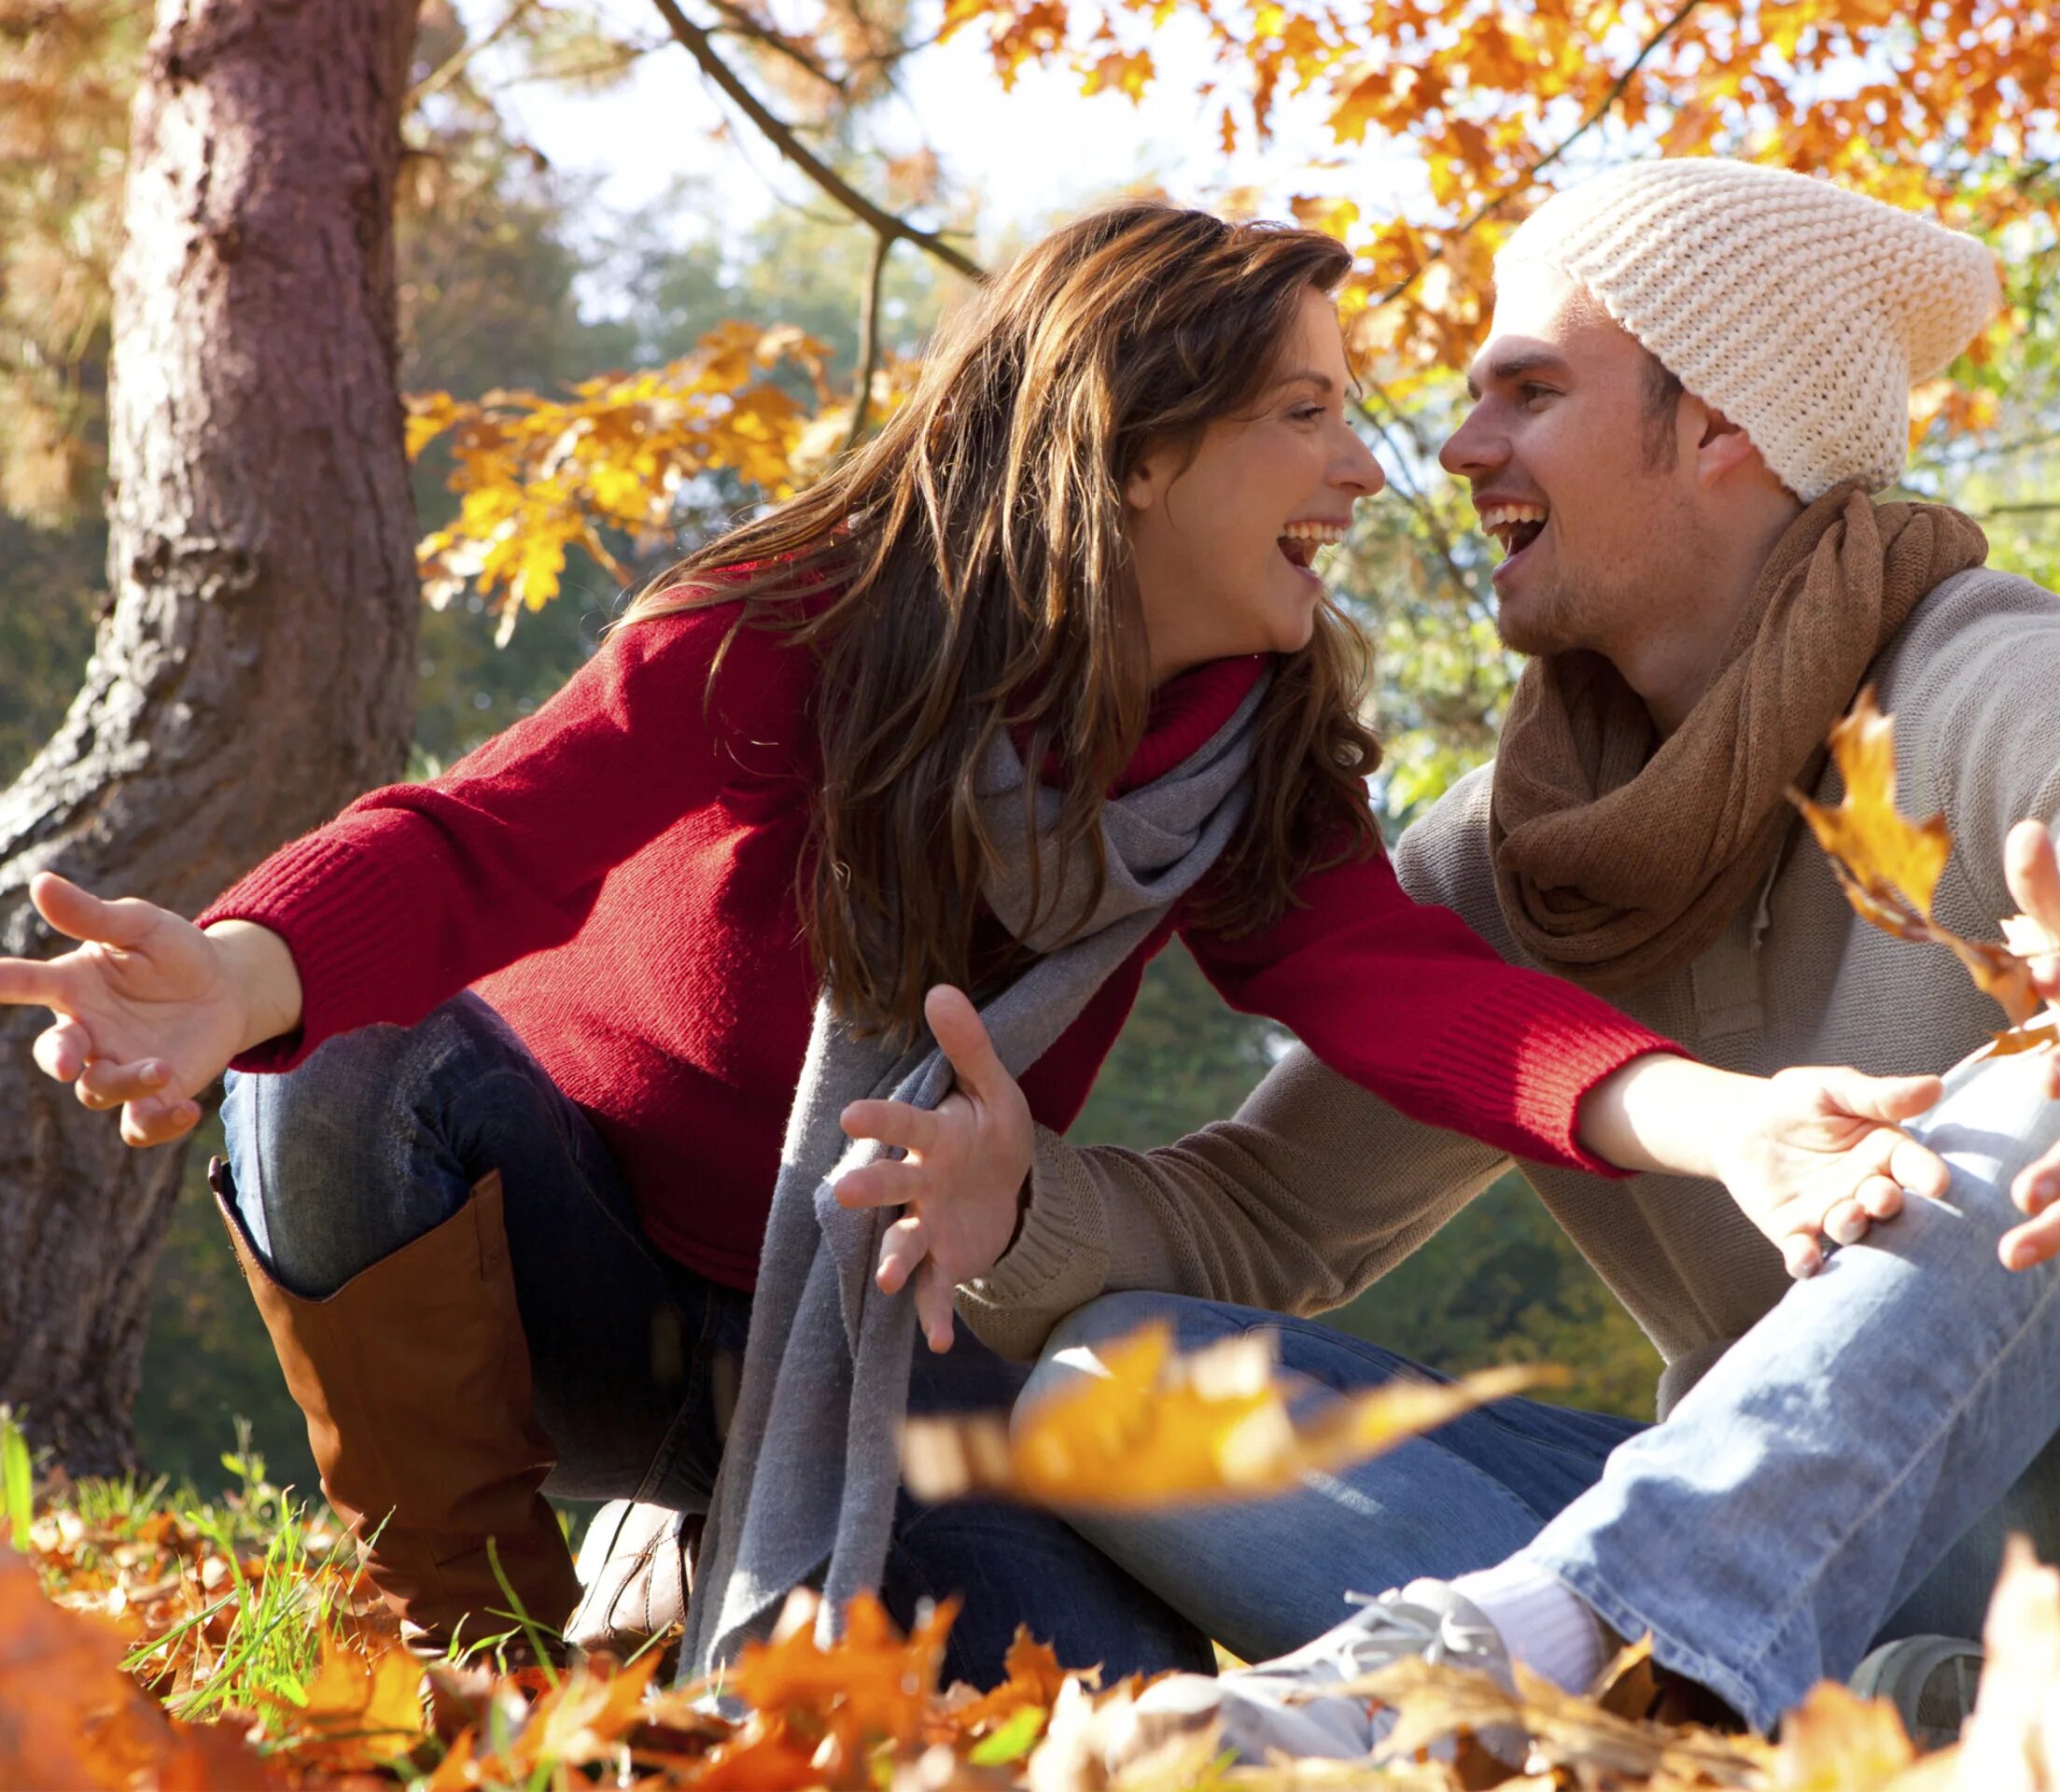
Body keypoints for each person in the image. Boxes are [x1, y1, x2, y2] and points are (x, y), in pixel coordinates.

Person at [0, 202, 1945, 1673]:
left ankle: (702, 1575)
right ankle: (472, 1646)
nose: (1370, 472)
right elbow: (484, 840)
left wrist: (1733, 1125)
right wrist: (236, 979)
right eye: (1306, 417)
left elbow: (1419, 999)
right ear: (1133, 445)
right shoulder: (794, 636)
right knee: (340, 1064)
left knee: (1073, 1695)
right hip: (564, 1263)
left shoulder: (1250, 764)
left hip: (860, 1329)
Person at [875, 161, 2060, 1745]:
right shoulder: (1513, 854)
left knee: (2059, 1088)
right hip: (1805, 1577)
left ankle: (1566, 1659)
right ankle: (1806, 1726)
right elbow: (1269, 1216)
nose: (1457, 452)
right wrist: (1021, 1212)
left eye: (1530, 392)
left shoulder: (1982, 674)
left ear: (1726, 426)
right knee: (1120, 1388)